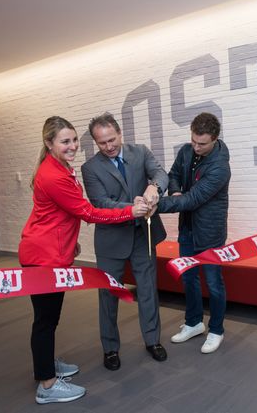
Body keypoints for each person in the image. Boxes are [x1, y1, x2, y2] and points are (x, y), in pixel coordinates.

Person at [18, 116, 150, 404]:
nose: (73, 146)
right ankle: (47, 385)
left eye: (74, 139)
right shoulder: (53, 175)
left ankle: (47, 366)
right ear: (49, 143)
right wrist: (130, 212)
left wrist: (69, 241)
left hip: (53, 251)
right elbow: (88, 212)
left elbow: (56, 214)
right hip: (43, 258)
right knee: (45, 320)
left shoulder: (59, 167)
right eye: (65, 141)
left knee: (49, 318)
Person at [81, 112, 169, 371]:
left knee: (148, 290)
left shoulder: (140, 152)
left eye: (111, 140)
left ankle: (153, 341)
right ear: (96, 143)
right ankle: (110, 348)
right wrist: (134, 206)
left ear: (120, 133)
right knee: (108, 295)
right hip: (111, 241)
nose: (108, 147)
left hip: (143, 235)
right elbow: (101, 204)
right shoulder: (90, 168)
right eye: (101, 143)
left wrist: (154, 188)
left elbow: (161, 173)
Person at [157, 112, 231, 354]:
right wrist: (175, 191)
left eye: (202, 143)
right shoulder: (187, 151)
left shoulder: (220, 167)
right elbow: (174, 174)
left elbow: (195, 198)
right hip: (187, 228)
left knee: (213, 283)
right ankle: (194, 323)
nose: (196, 147)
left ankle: (216, 330)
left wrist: (155, 205)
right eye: (193, 141)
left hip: (210, 233)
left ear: (215, 139)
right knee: (188, 278)